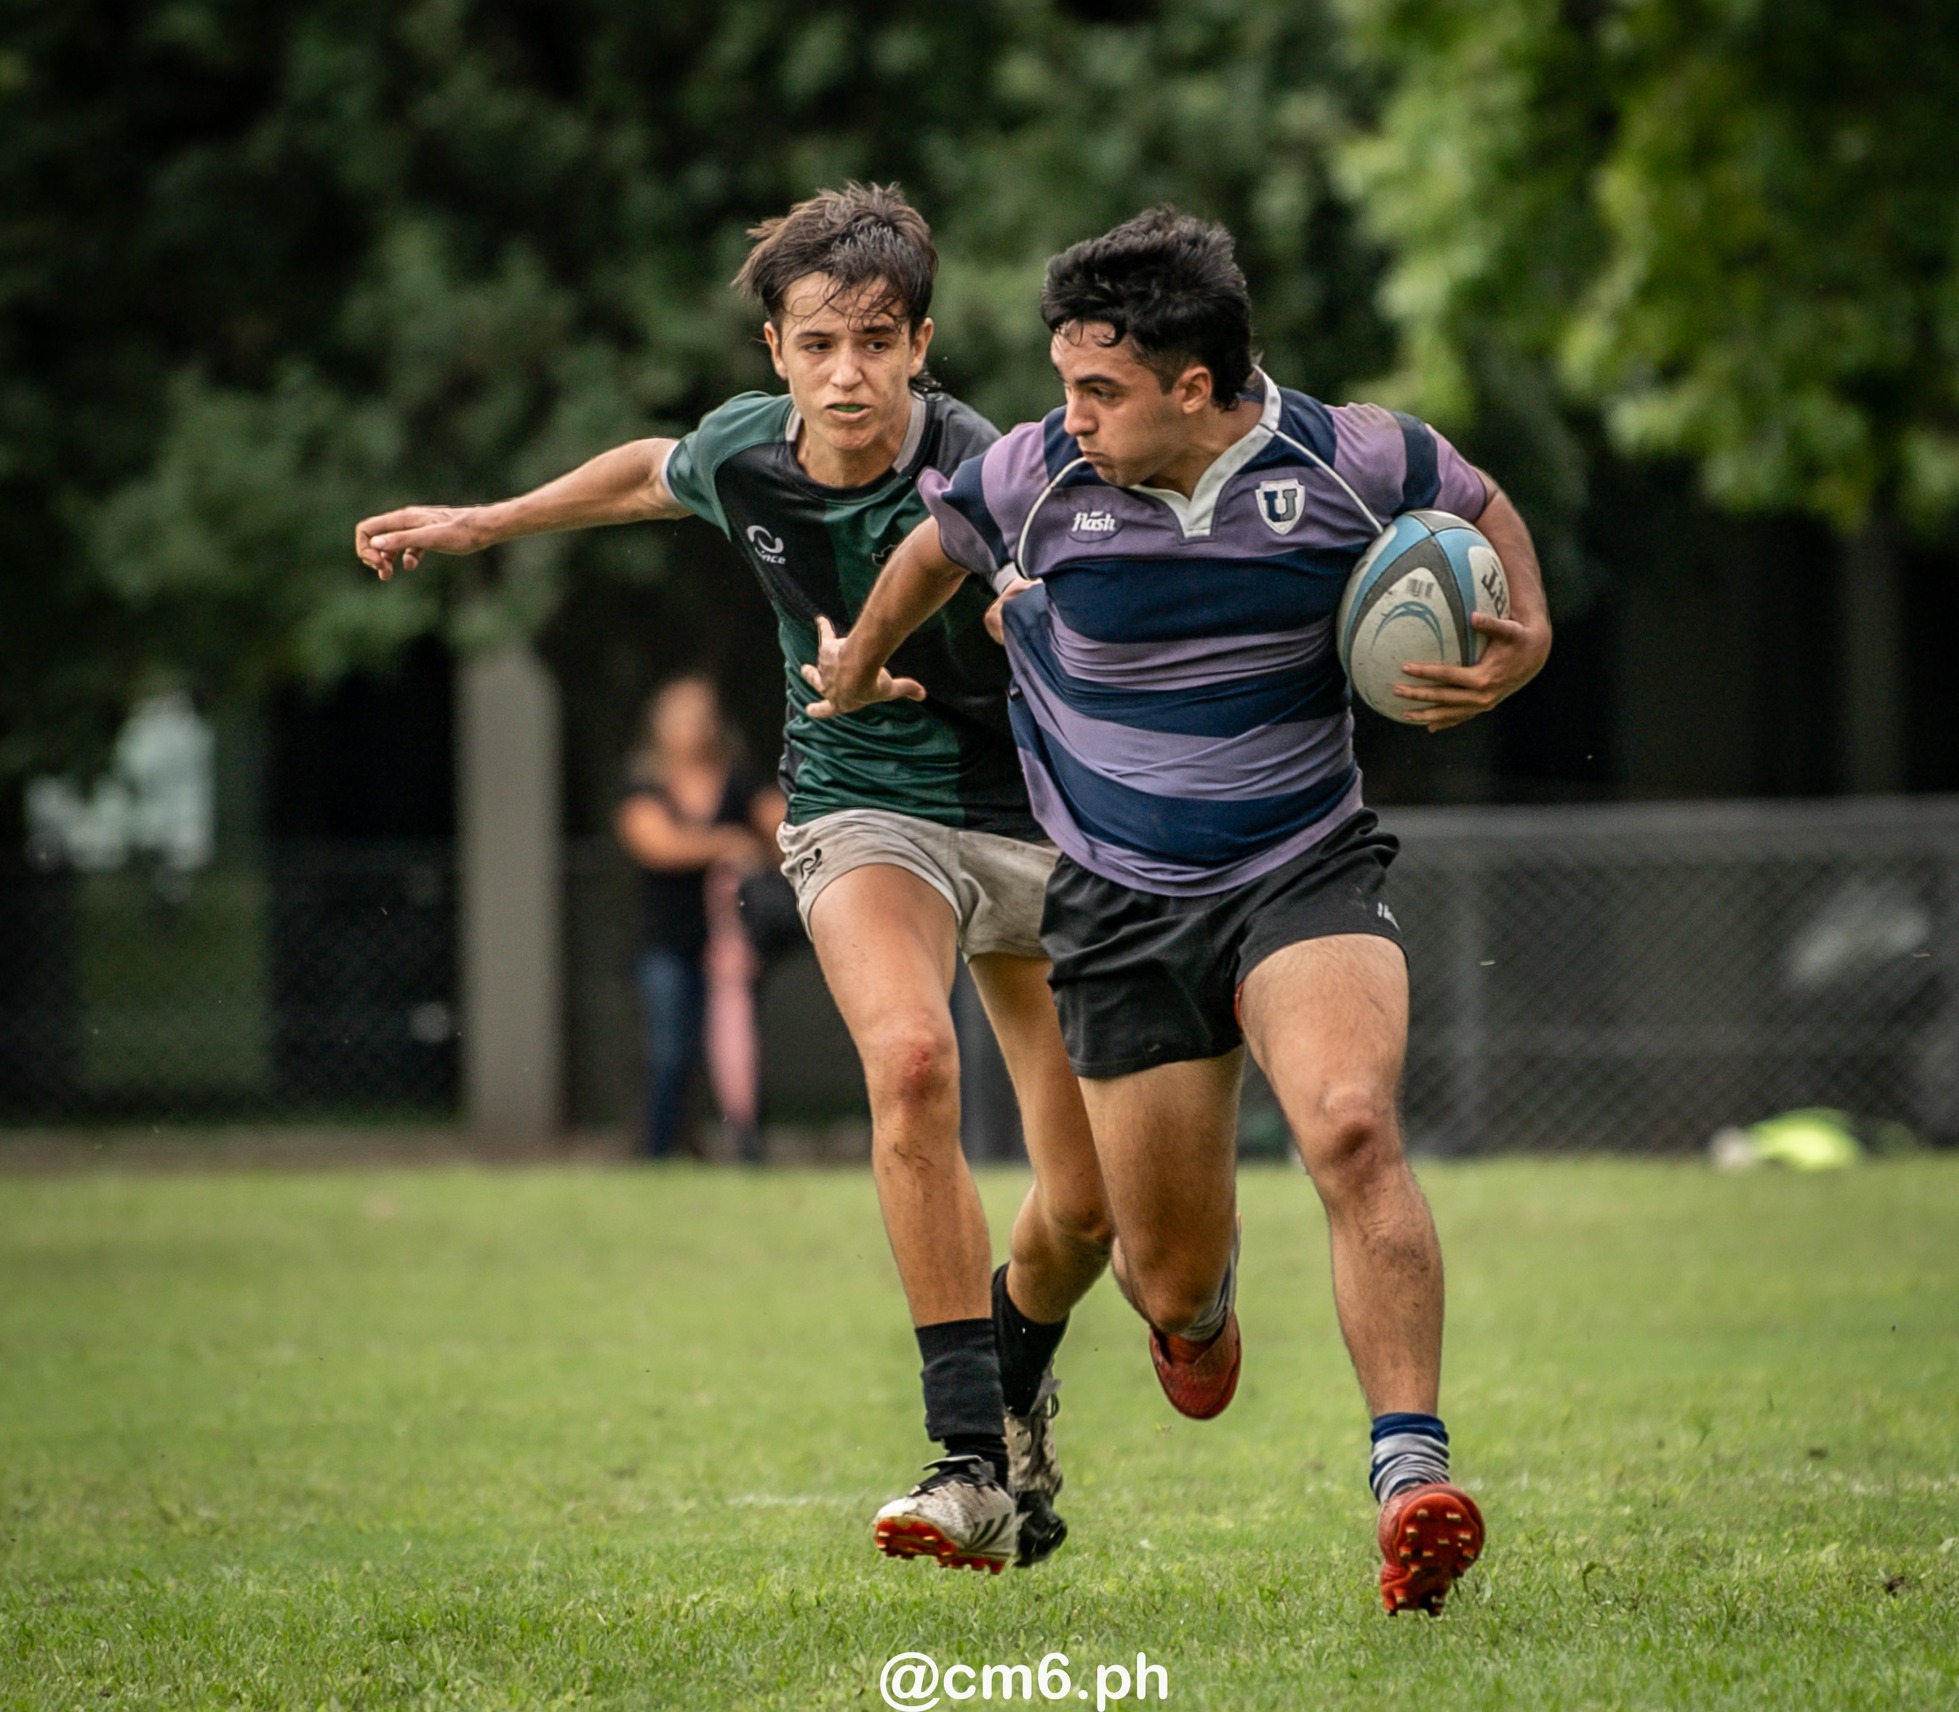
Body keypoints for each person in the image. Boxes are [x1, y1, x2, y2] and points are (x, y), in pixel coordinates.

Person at [354, 185, 1112, 1573]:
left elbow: (1052, 616)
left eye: (875, 343)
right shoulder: (743, 452)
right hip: (860, 808)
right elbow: (652, 469)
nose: (846, 374)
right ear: (776, 351)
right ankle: (966, 1458)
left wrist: (1009, 634)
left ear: (920, 345)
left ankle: (1016, 1387)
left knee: (1085, 1208)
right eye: (817, 344)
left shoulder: (989, 469)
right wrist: (479, 523)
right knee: (911, 1063)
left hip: (1032, 821)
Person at [805, 207, 1552, 1613]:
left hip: (1302, 867)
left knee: (1348, 1122)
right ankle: (1194, 1314)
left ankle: (1412, 1473)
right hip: (1123, 904)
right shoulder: (1032, 476)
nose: (1067, 413)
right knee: (1168, 1286)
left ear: (1194, 388)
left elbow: (1481, 501)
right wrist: (856, 664)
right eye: (1063, 382)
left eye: (1101, 389)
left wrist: (1531, 633)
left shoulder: (1351, 457)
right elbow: (931, 549)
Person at [616, 675, 784, 1163]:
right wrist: (731, 844)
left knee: (737, 1050)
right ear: (661, 727)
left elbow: (782, 825)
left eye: (703, 716)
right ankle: (660, 1151)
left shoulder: (739, 780)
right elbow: (655, 844)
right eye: (683, 717)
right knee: (670, 1050)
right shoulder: (643, 783)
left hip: (733, 943)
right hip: (667, 940)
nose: (695, 728)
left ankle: (747, 1149)